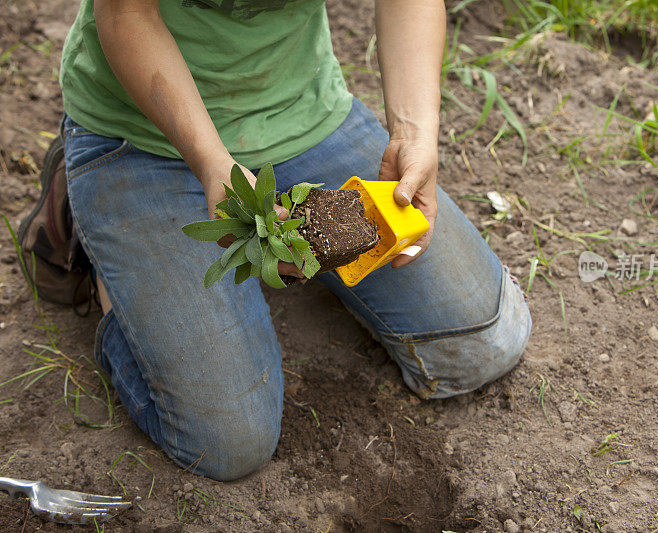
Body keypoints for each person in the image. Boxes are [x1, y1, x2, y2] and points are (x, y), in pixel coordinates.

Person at [18, 0, 531, 481]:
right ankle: (92, 224)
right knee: (226, 441)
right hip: (144, 132)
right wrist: (211, 162)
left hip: (301, 113)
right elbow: (125, 11)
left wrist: (415, 135)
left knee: (485, 343)